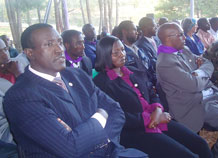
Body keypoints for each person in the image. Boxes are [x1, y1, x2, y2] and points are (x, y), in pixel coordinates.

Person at [3, 23, 147, 158]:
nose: (59, 49)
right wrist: (100, 115)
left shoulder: (76, 75)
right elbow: (70, 148)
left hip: (113, 152)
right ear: (30, 53)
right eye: (49, 44)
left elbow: (116, 111)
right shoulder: (21, 97)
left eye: (59, 42)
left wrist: (87, 136)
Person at [93, 35, 212, 158]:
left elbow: (152, 92)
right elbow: (115, 115)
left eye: (123, 50)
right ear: (105, 55)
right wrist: (150, 118)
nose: (122, 54)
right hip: (135, 131)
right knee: (186, 155)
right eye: (116, 53)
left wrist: (158, 109)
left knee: (200, 144)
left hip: (157, 118)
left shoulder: (134, 71)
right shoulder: (101, 83)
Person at [156, 23, 218, 158]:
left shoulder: (185, 49)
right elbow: (194, 85)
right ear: (168, 38)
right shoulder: (165, 63)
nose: (185, 37)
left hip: (213, 93)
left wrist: (198, 73)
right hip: (197, 104)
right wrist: (201, 73)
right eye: (181, 35)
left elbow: (208, 63)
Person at [0, 38, 18, 158]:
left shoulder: (15, 67)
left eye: (5, 49)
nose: (4, 54)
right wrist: (20, 75)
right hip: (8, 140)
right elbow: (21, 108)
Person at [136, 17, 158, 86]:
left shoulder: (158, 39)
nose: (156, 27)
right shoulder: (140, 45)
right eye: (153, 25)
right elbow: (151, 64)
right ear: (144, 28)